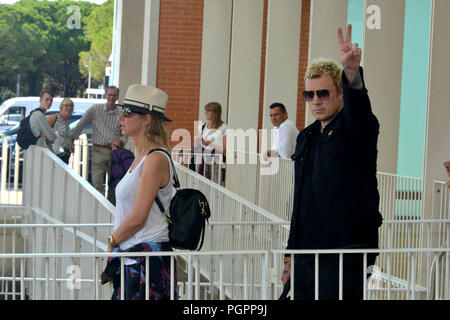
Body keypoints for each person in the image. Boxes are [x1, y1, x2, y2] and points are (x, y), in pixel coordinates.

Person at [282, 24, 383, 300]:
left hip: (346, 251)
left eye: (323, 93)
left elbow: (359, 110)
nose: (315, 101)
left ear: (340, 93)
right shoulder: (306, 136)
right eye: (309, 95)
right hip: (306, 252)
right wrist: (290, 254)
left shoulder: (356, 129)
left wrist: (351, 72)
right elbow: (300, 198)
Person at [102, 84, 177, 300]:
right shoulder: (141, 155)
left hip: (147, 260)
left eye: (127, 112)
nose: (120, 118)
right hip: (133, 256)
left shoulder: (155, 159)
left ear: (146, 119)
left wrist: (112, 240)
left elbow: (138, 217)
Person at [71, 86, 126, 201]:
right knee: (97, 184)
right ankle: (100, 211)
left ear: (118, 97)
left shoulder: (122, 113)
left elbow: (126, 132)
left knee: (115, 183)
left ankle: (112, 210)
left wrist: (121, 142)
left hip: (115, 152)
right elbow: (82, 123)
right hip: (98, 151)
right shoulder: (95, 109)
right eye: (109, 94)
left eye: (114, 95)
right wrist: (71, 140)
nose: (111, 97)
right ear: (105, 95)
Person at [193, 102, 227, 185]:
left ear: (215, 113)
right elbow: (196, 145)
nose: (206, 113)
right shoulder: (203, 125)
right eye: (206, 111)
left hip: (215, 161)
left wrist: (210, 144)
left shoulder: (224, 127)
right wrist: (197, 141)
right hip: (201, 159)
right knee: (201, 183)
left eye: (208, 111)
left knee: (215, 184)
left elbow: (225, 149)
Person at [47, 98, 74, 164]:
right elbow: (42, 131)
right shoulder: (53, 118)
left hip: (65, 155)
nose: (69, 108)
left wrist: (71, 146)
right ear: (61, 107)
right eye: (66, 105)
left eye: (71, 106)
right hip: (54, 155)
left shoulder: (67, 122)